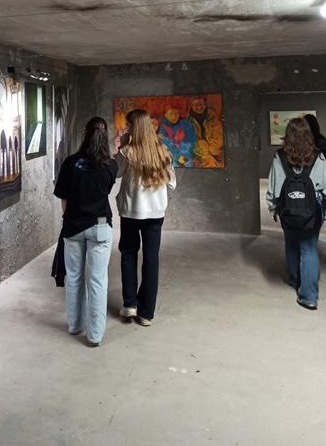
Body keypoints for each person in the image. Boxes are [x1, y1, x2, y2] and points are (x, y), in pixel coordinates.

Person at [53, 116, 117, 346]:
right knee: (97, 280)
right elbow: (104, 191)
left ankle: (74, 325)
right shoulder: (111, 165)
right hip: (100, 227)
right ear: (105, 136)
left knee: (74, 277)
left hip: (73, 227)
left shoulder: (70, 163)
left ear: (85, 133)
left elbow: (64, 199)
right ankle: (95, 335)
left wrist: (71, 217)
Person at [266, 118, 326, 310]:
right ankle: (309, 295)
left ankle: (295, 279)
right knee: (309, 247)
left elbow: (274, 186)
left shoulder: (279, 156)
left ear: (288, 135)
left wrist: (273, 208)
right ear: (308, 135)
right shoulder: (318, 156)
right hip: (313, 208)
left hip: (287, 208)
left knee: (291, 243)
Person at [115, 109, 176, 326]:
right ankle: (146, 313)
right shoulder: (163, 151)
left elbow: (115, 173)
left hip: (131, 212)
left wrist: (120, 147)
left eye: (129, 125)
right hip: (155, 213)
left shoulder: (127, 152)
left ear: (135, 127)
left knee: (128, 254)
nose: (127, 129)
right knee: (151, 259)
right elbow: (172, 183)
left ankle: (130, 304)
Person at [188, 96, 224, 167]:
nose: (199, 107)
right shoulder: (188, 119)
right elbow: (189, 138)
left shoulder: (211, 114)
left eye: (201, 104)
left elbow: (218, 131)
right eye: (196, 105)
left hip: (212, 144)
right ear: (191, 106)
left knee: (215, 153)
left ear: (205, 104)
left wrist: (213, 146)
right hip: (199, 147)